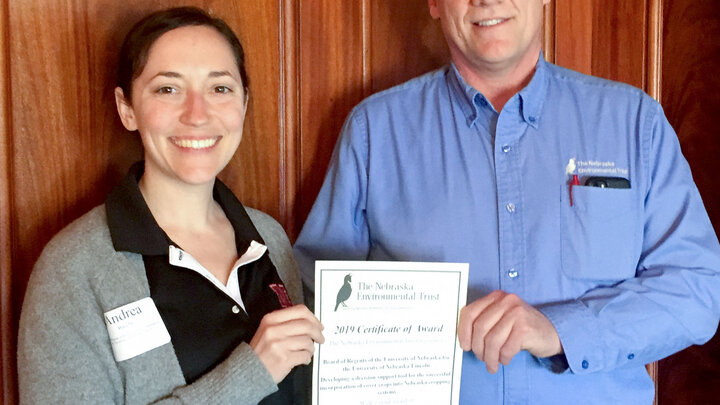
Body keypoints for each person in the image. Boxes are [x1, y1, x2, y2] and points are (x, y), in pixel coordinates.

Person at [293, 0, 720, 403]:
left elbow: (698, 291)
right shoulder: (374, 132)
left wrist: (559, 330)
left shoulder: (633, 122)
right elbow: (316, 300)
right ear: (435, 4)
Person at [18, 7, 323, 405]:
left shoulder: (269, 237)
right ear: (127, 108)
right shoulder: (73, 270)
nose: (197, 115)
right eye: (168, 89)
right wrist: (252, 372)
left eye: (220, 88)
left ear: (244, 104)